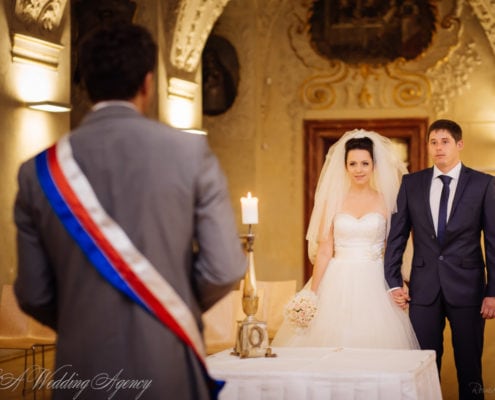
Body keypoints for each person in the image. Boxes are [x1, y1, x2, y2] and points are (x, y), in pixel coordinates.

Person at [13, 24, 247, 400]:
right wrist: (168, 305)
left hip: (82, 368)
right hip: (168, 362)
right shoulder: (189, 156)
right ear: (148, 83)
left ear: (84, 83)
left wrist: (85, 315)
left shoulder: (37, 172)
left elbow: (33, 293)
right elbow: (225, 267)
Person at [272, 129, 419, 349]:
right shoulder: (333, 201)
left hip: (376, 280)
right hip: (336, 278)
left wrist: (396, 283)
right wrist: (312, 294)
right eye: (353, 164)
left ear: (374, 166)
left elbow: (393, 248)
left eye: (364, 163)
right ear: (345, 166)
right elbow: (324, 249)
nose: (358, 170)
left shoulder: (386, 201)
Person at [384, 119, 495, 400]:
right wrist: (393, 282)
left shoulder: (484, 184)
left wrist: (492, 292)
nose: (438, 148)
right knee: (422, 367)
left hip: (468, 289)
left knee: (470, 368)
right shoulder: (411, 184)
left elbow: (493, 242)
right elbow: (396, 237)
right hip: (423, 291)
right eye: (433, 142)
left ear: (459, 145)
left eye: (444, 141)